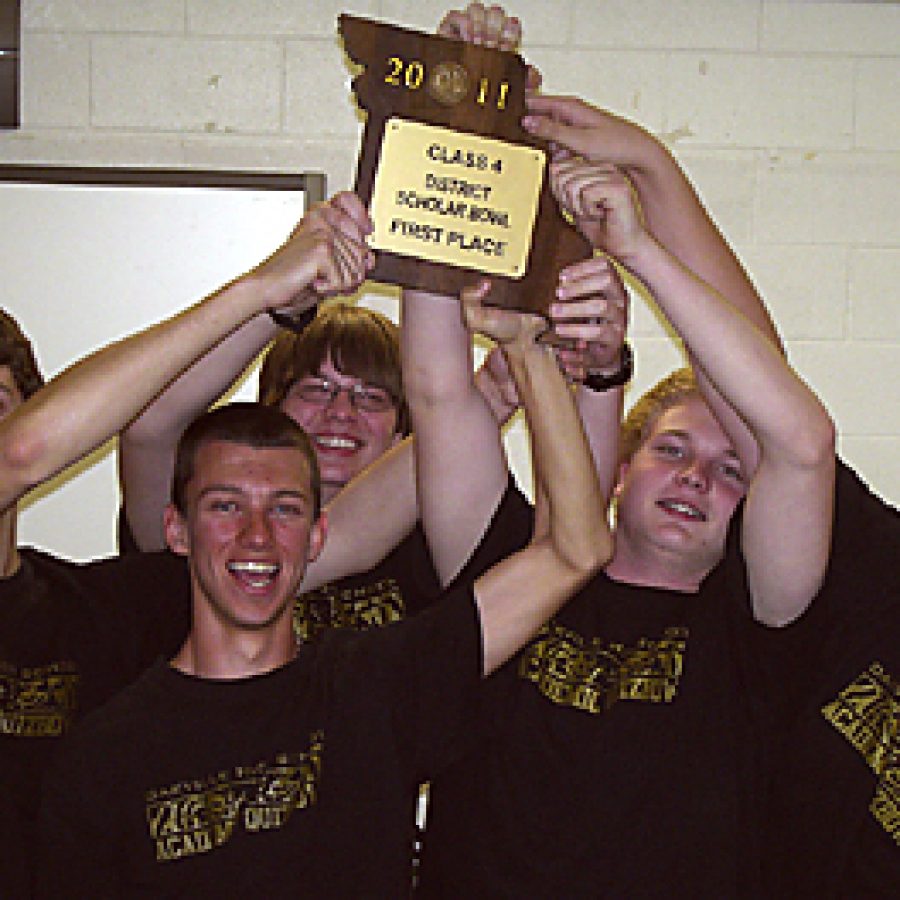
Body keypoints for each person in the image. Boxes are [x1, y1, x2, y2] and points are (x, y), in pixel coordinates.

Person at [36, 285, 612, 897]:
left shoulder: (375, 686)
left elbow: (575, 550)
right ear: (174, 529)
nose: (256, 537)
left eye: (284, 511)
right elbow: (148, 430)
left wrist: (531, 354)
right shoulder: (103, 752)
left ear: (316, 536)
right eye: (227, 507)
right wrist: (277, 287)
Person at [410, 148, 835, 894]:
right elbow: (440, 395)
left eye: (729, 471)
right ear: (620, 472)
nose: (696, 476)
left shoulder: (759, 626)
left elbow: (800, 442)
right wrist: (455, 128)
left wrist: (638, 249)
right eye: (671, 450)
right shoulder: (512, 575)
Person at [0, 191, 374, 897]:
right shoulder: (24, 450)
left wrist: (493, 385)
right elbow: (24, 451)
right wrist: (263, 290)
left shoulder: (94, 608)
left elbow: (336, 533)